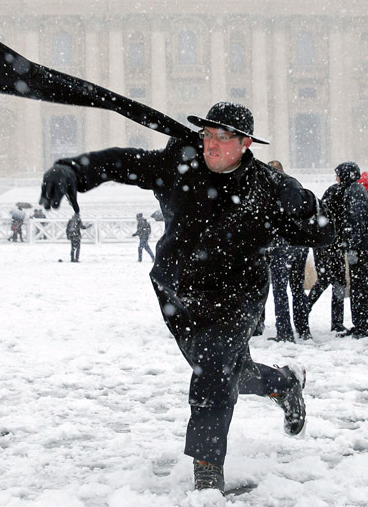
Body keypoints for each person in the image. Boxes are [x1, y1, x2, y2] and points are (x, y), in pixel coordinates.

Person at [38, 101, 333, 492]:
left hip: (236, 296)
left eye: (222, 137)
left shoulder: (270, 186)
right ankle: (283, 384)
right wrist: (73, 169)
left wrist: (310, 209)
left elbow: (320, 232)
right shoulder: (180, 165)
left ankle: (207, 470)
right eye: (208, 135)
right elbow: (123, 162)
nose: (211, 144)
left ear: (245, 143)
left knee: (212, 368)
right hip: (178, 293)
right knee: (231, 372)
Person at [265, 161, 311, 343]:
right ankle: (303, 328)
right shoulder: (295, 184)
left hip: (281, 246)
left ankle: (284, 332)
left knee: (280, 290)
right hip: (299, 244)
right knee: (297, 288)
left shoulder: (273, 189)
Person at [333, 162, 368, 339]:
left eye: (338, 175)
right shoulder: (355, 190)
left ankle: (363, 327)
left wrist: (353, 247)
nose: (336, 178)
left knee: (359, 289)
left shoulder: (354, 191)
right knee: (358, 288)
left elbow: (355, 221)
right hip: (362, 247)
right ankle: (360, 324)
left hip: (360, 249)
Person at [305, 181, 347, 334]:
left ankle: (335, 321)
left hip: (329, 245)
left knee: (333, 281)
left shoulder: (332, 197)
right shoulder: (339, 194)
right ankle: (306, 310)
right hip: (329, 246)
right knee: (329, 281)